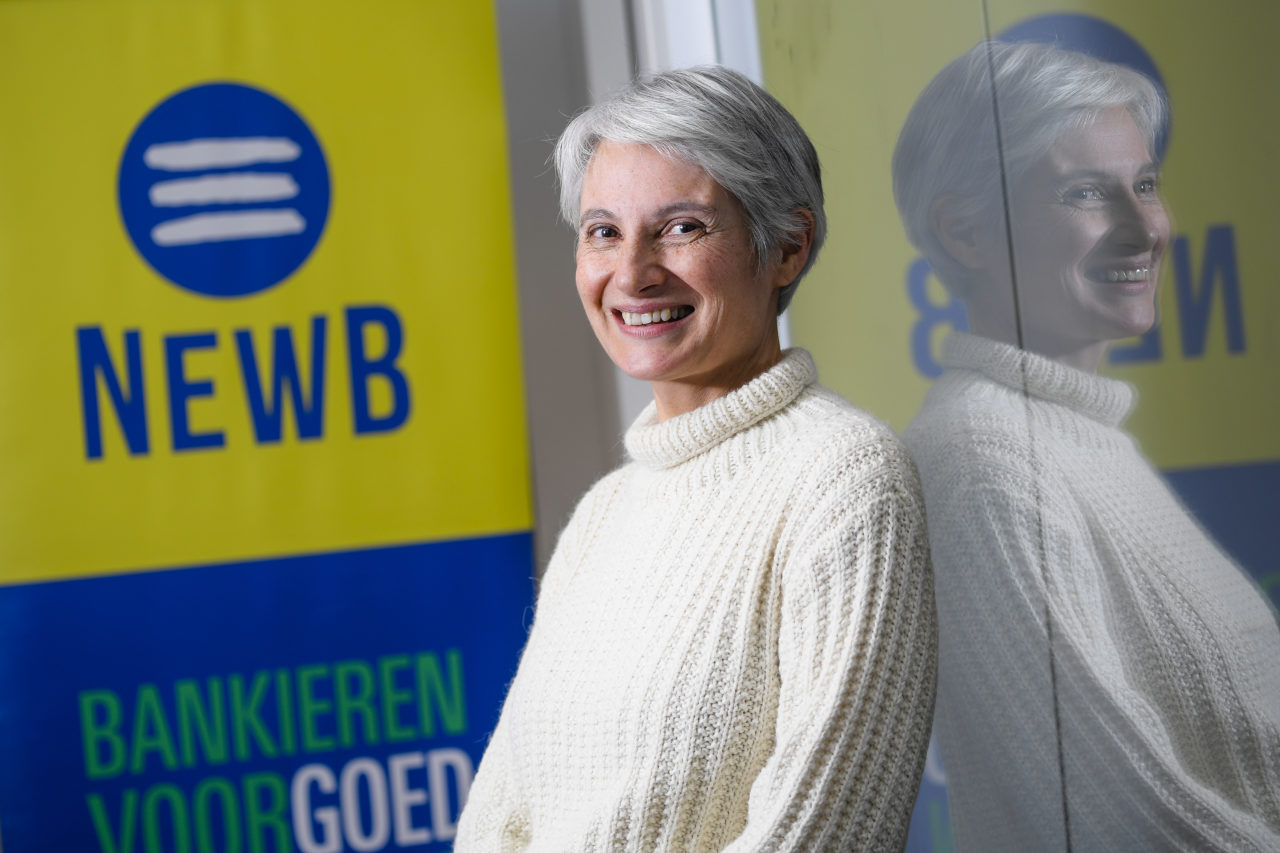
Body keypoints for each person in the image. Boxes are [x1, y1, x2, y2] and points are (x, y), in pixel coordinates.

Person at [455, 66, 937, 852]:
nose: (632, 273)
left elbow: (828, 837)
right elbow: (497, 820)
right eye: (603, 231)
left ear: (787, 247)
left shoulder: (846, 478)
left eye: (681, 227)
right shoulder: (604, 513)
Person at [893, 41, 1280, 851]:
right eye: (1086, 193)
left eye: (1146, 185)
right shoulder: (982, 463)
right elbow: (1123, 822)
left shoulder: (1080, 440)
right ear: (964, 231)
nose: (1144, 229)